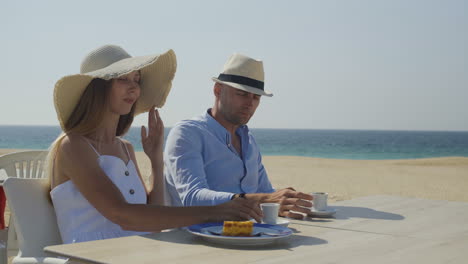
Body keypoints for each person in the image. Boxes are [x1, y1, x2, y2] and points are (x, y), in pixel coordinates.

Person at [47, 45, 262, 244]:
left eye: (137, 80)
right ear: (98, 87)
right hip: (90, 257)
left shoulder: (125, 149)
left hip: (135, 253)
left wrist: (156, 161)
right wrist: (216, 212)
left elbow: (152, 217)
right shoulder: (73, 145)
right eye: (123, 79)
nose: (134, 88)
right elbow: (122, 215)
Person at [164, 53, 313, 219]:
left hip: (248, 236)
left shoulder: (249, 141)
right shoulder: (188, 133)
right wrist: (264, 199)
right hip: (197, 240)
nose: (250, 103)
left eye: (256, 97)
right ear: (218, 90)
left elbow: (266, 194)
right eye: (242, 94)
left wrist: (286, 202)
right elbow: (193, 198)